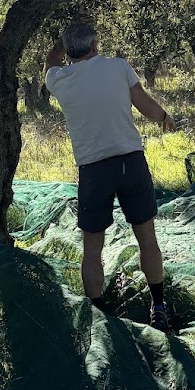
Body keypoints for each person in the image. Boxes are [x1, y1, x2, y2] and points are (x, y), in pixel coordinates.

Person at [45, 22, 178, 332]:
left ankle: (97, 315)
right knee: (147, 238)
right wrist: (164, 117)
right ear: (95, 45)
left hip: (93, 170)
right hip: (130, 162)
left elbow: (50, 62)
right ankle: (158, 307)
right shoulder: (118, 67)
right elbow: (144, 104)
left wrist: (60, 43)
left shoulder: (60, 79)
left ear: (69, 51)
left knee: (92, 250)